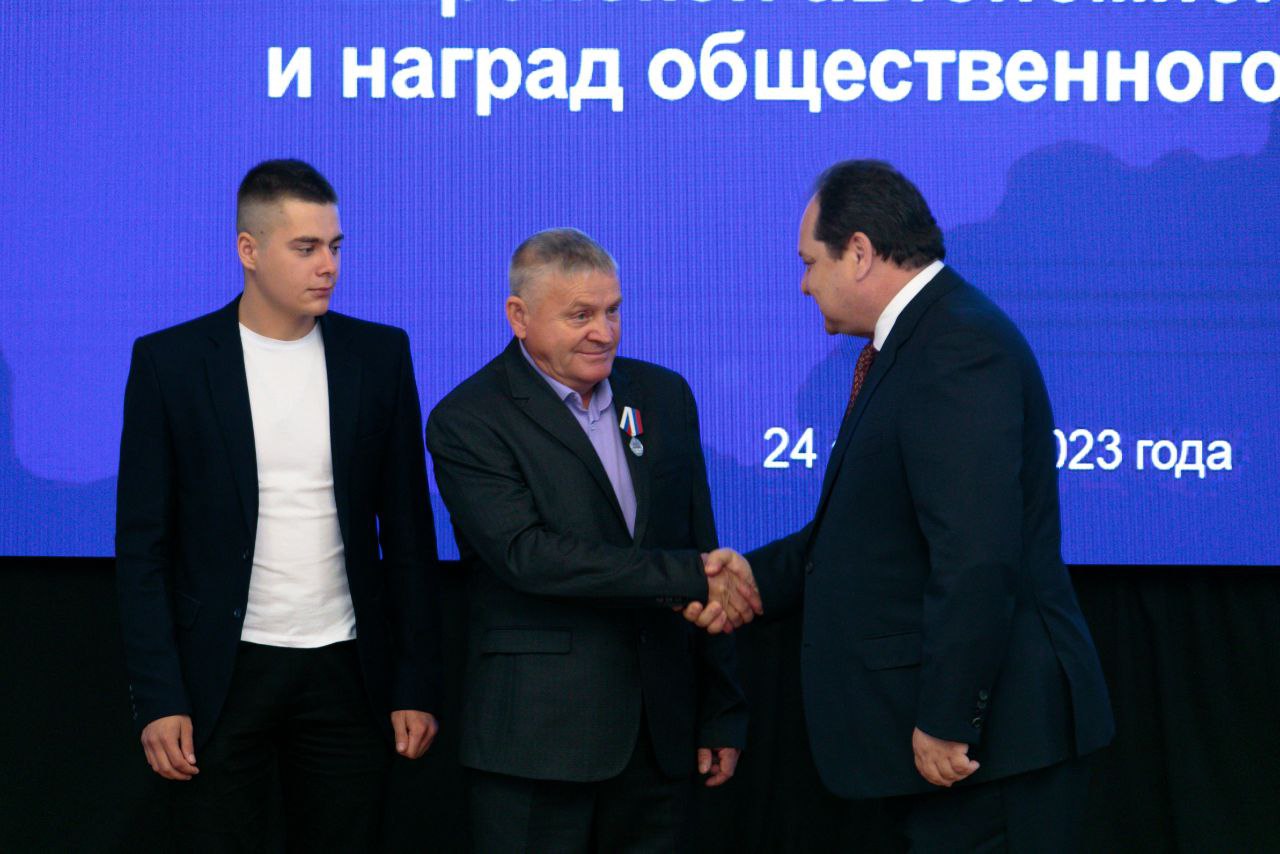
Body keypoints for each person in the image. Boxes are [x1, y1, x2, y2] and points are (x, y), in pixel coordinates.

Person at [688, 160, 1114, 851]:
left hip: (991, 752)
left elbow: (976, 554)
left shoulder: (956, 347)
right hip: (954, 756)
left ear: (858, 252)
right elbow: (868, 530)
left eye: (810, 262)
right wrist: (753, 578)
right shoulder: (915, 342)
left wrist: (949, 717)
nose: (804, 284)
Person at [115, 159, 442, 851]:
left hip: (348, 670)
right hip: (221, 672)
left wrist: (414, 682)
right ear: (249, 250)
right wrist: (160, 696)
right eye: (306, 247)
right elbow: (143, 549)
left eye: (335, 246)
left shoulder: (379, 355)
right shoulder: (171, 363)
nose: (328, 266)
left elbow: (410, 534)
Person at [426, 228, 752, 852]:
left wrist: (721, 709)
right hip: (539, 745)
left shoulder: (664, 396)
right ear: (519, 316)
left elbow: (699, 541)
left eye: (613, 311)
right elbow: (529, 556)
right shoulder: (468, 419)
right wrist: (687, 576)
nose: (605, 332)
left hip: (660, 739)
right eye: (580, 315)